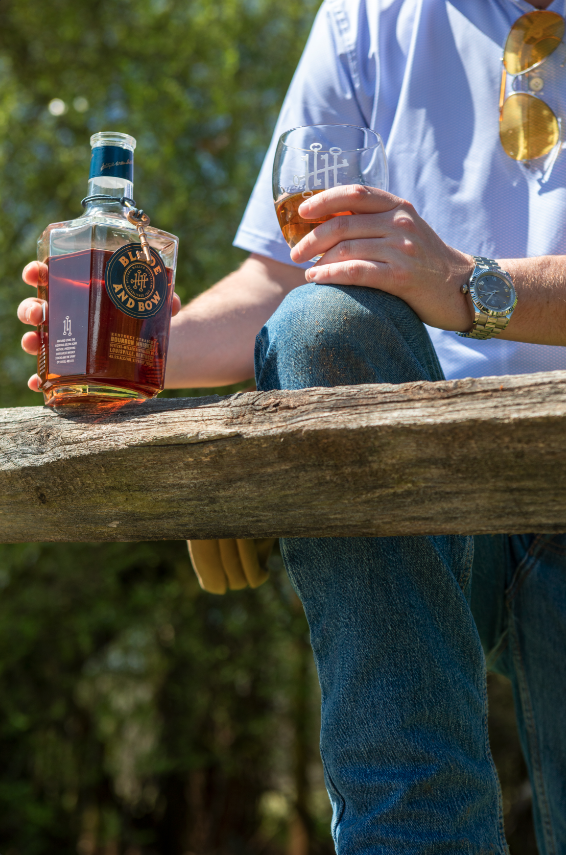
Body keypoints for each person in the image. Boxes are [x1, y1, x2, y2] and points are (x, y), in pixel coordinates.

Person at [18, 0, 566, 851]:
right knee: (321, 322)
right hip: (417, 479)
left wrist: (465, 282)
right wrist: (138, 351)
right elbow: (282, 283)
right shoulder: (366, 17)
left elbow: (447, 279)